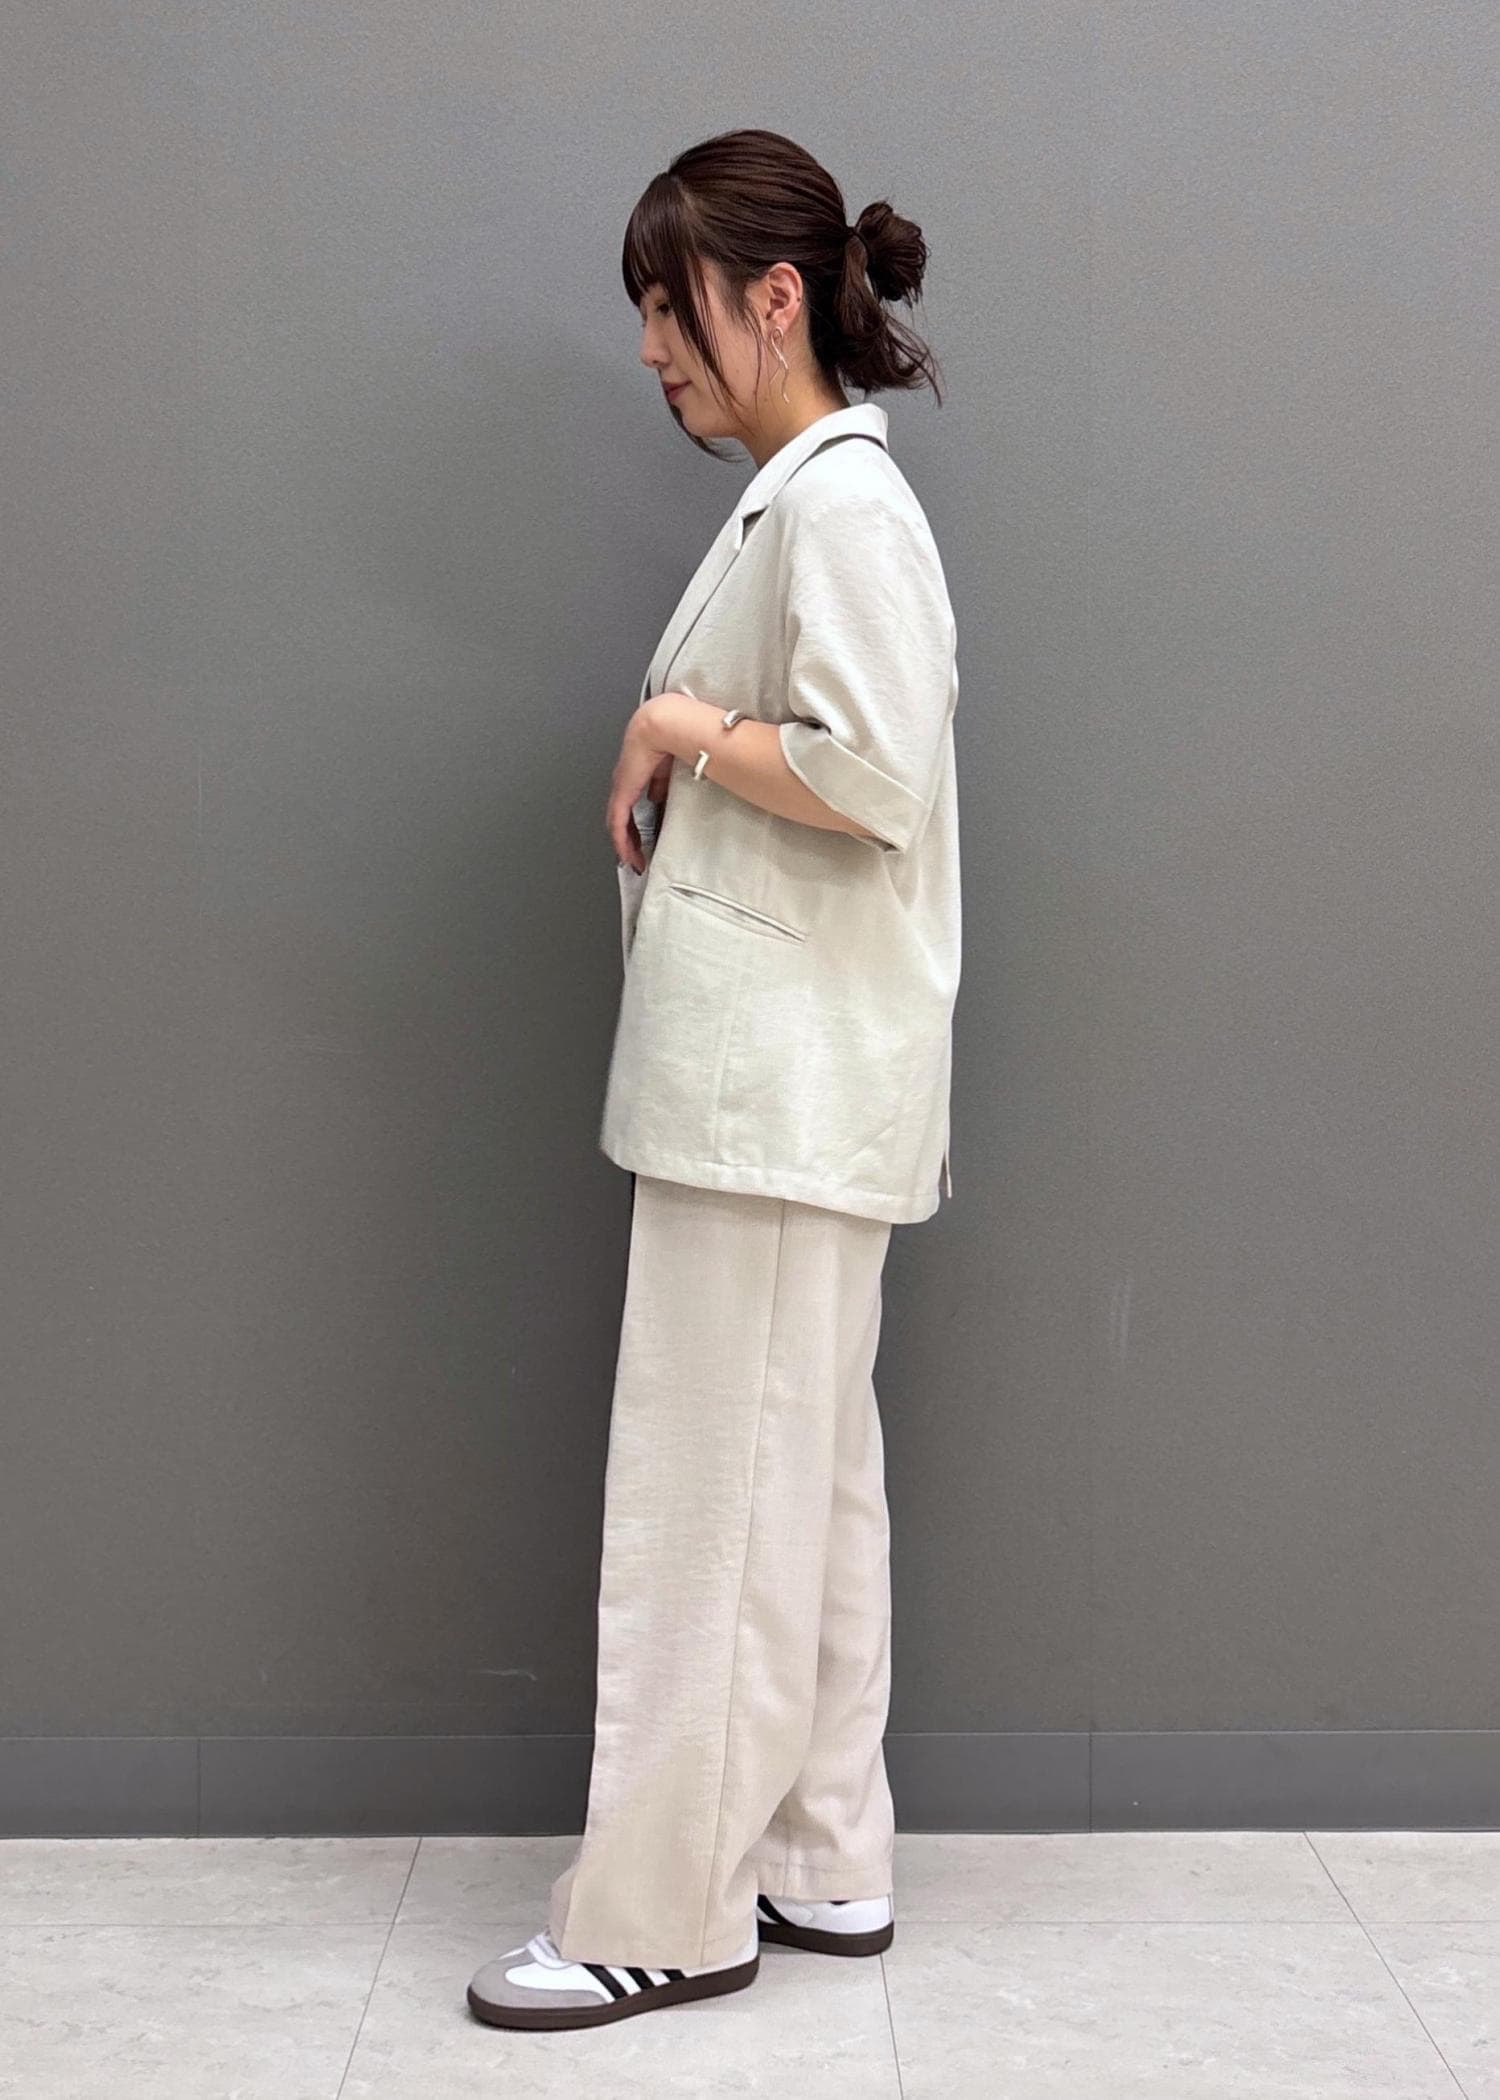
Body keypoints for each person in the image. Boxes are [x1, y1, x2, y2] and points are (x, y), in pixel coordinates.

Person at [468, 125, 961, 2032]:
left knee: (711, 1502)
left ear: (770, 299)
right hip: (801, 1083)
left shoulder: (838, 508)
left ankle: (666, 1910)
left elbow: (871, 773)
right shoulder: (816, 499)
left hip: (775, 1092)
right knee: (805, 1482)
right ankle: (826, 1858)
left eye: (668, 310)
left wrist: (678, 719)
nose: (650, 351)